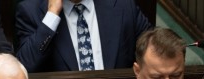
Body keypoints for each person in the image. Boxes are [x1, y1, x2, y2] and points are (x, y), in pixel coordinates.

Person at [15, 0, 152, 73]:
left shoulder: (122, 4)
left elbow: (154, 46)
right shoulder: (30, 10)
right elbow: (24, 68)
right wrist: (52, 15)